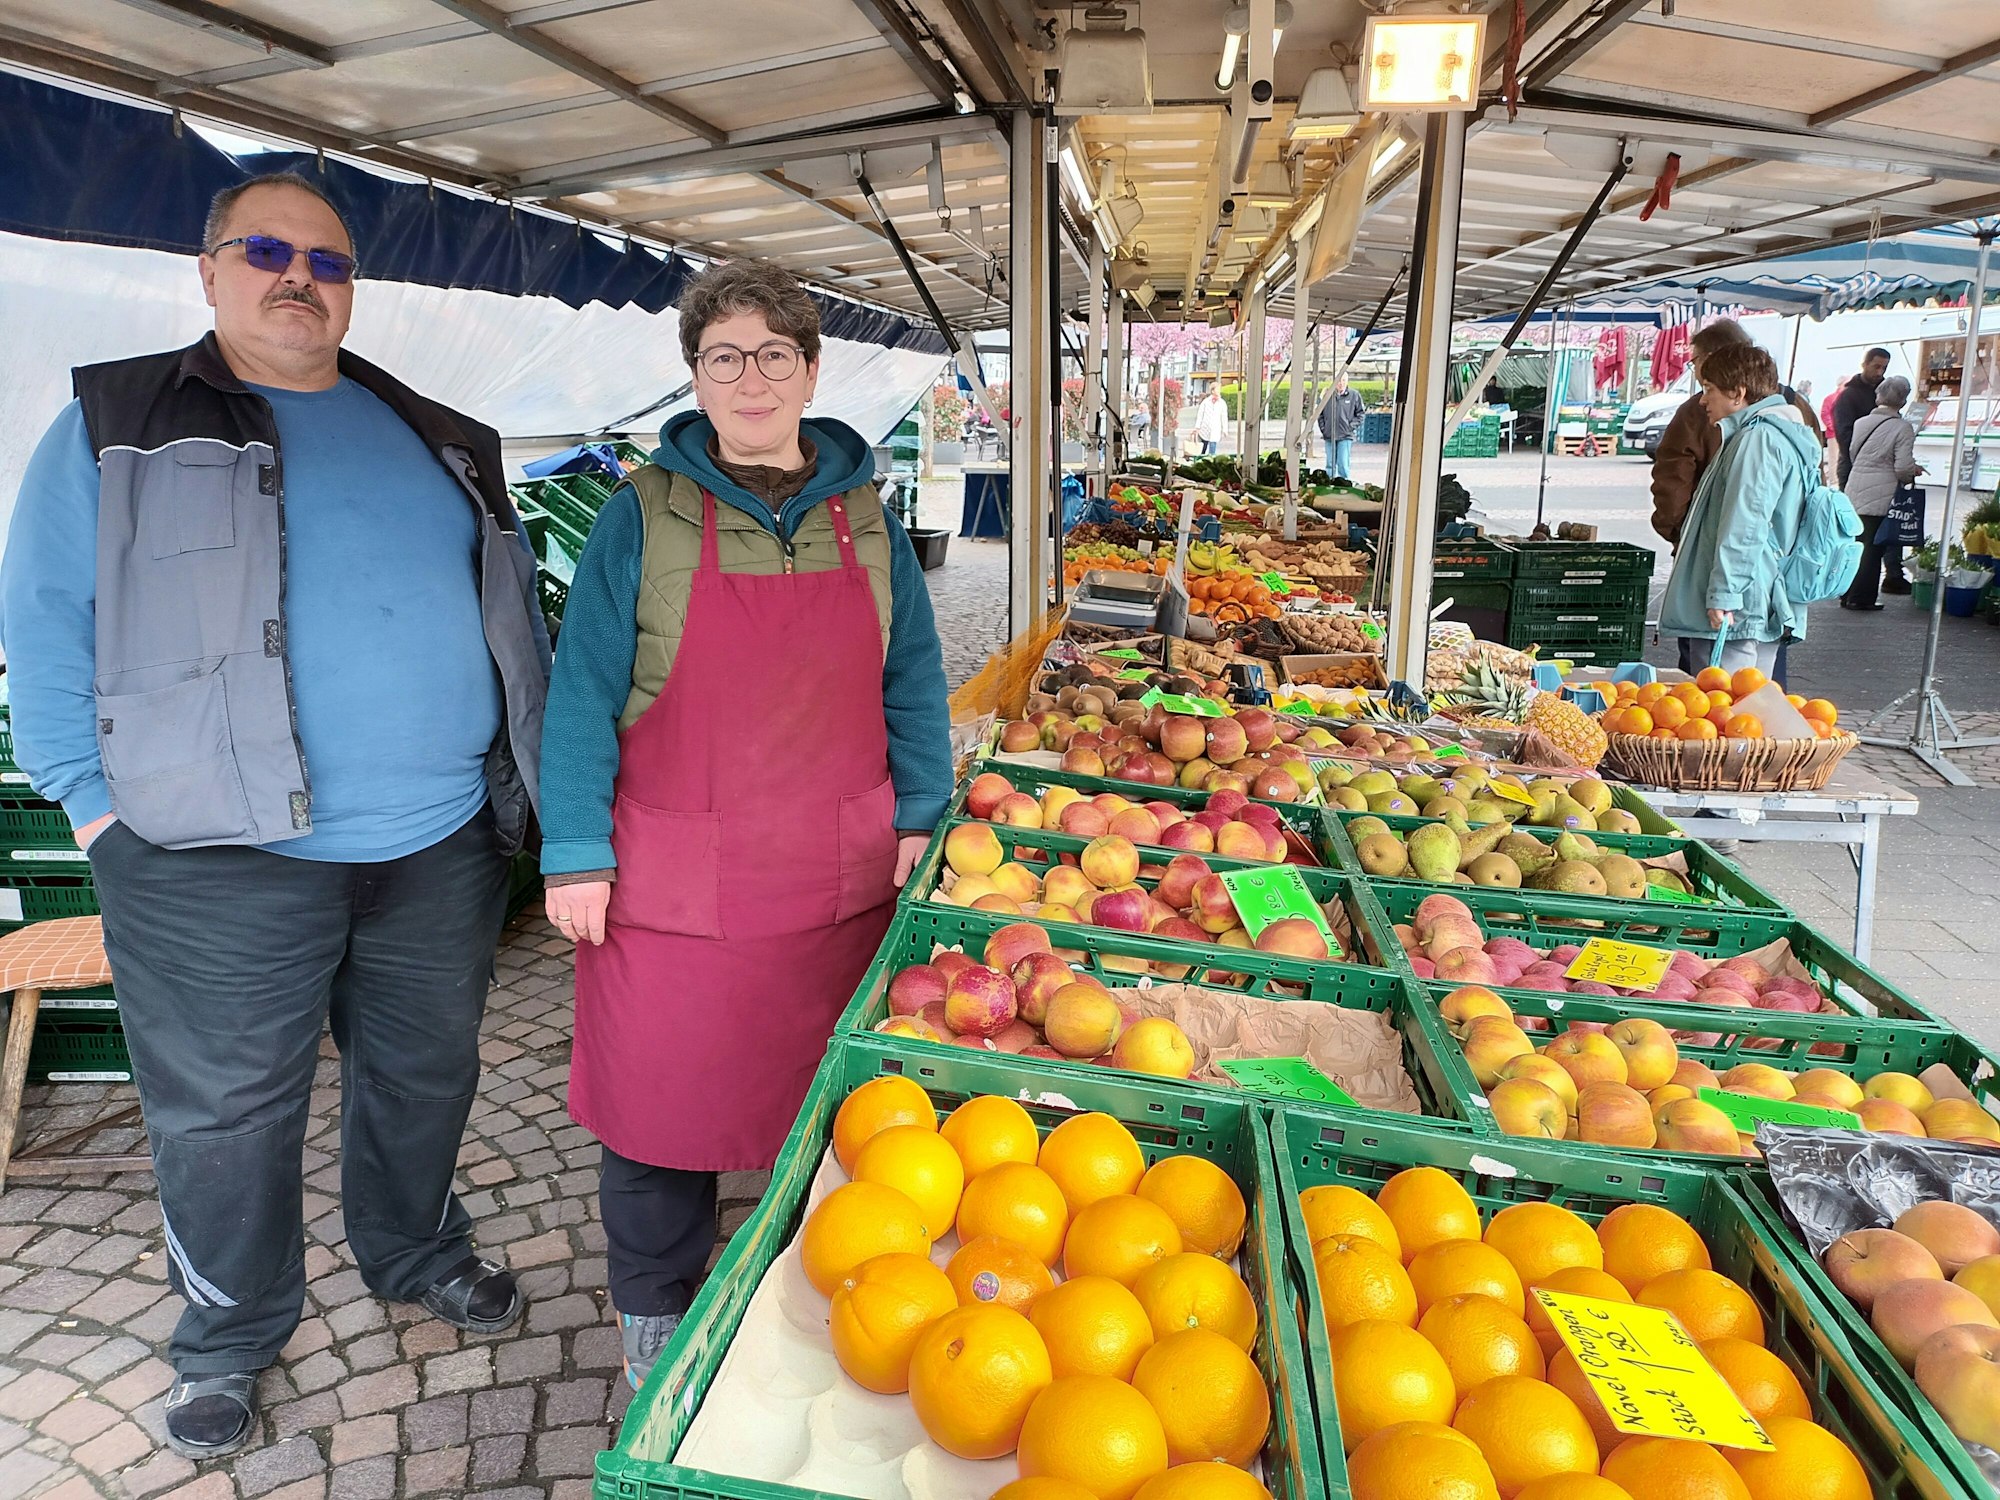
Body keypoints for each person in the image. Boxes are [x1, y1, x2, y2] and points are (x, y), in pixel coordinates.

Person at [0, 172, 550, 1457]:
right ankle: (227, 1336)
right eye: (265, 250)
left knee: (423, 1075)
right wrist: (92, 810)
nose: (297, 275)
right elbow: (43, 624)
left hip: (435, 843)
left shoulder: (434, 430)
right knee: (226, 1113)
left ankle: (413, 1249)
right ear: (207, 270)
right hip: (209, 855)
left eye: (328, 259)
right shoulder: (113, 422)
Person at [538, 259, 953, 1394]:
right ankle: (653, 1325)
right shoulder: (640, 517)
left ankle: (811, 1300)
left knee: (825, 1120)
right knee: (655, 1118)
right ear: (695, 375)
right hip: (672, 891)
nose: (751, 376)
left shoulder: (866, 517)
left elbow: (910, 681)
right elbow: (578, 693)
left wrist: (922, 814)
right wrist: (574, 850)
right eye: (725, 355)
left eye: (775, 353)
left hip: (836, 878)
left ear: (812, 371)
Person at [1650, 318, 1820, 678]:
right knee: (1749, 708)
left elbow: (1746, 523)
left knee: (1725, 715)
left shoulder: (1757, 441)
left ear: (1738, 393)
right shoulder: (1778, 430)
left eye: (1708, 387)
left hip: (1741, 600)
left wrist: (1724, 594)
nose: (1702, 398)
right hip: (1757, 592)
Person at [1840, 375, 1922, 608]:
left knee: (1856, 544)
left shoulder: (1861, 423)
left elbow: (1854, 454)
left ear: (1879, 397)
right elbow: (1902, 467)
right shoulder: (1902, 428)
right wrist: (1912, 472)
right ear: (1903, 401)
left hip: (1855, 488)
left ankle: (1846, 594)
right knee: (1872, 549)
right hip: (1882, 494)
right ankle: (1862, 598)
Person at [1832, 346, 1892, 486]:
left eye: (1884, 368)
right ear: (1864, 365)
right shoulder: (1848, 395)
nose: (1880, 372)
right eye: (1876, 366)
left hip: (1880, 466)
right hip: (1853, 465)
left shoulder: (1885, 392)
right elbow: (1843, 434)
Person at [1317, 373, 1365, 480]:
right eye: (1339, 380)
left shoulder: (1354, 395)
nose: (1341, 383)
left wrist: (1350, 426)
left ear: (1347, 381)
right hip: (1329, 435)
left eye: (1343, 380)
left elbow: (1360, 414)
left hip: (1345, 435)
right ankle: (1329, 485)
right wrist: (1324, 429)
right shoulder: (1327, 395)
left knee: (1343, 463)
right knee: (1330, 463)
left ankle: (1344, 485)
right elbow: (1319, 414)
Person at [1195, 386, 1227, 454]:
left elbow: (1224, 416)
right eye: (1217, 389)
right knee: (1203, 448)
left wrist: (1225, 429)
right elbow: (1200, 414)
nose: (1219, 391)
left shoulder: (1222, 403)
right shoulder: (1206, 402)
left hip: (1215, 428)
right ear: (1212, 391)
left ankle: (1211, 462)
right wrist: (1197, 427)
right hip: (1205, 427)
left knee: (1212, 448)